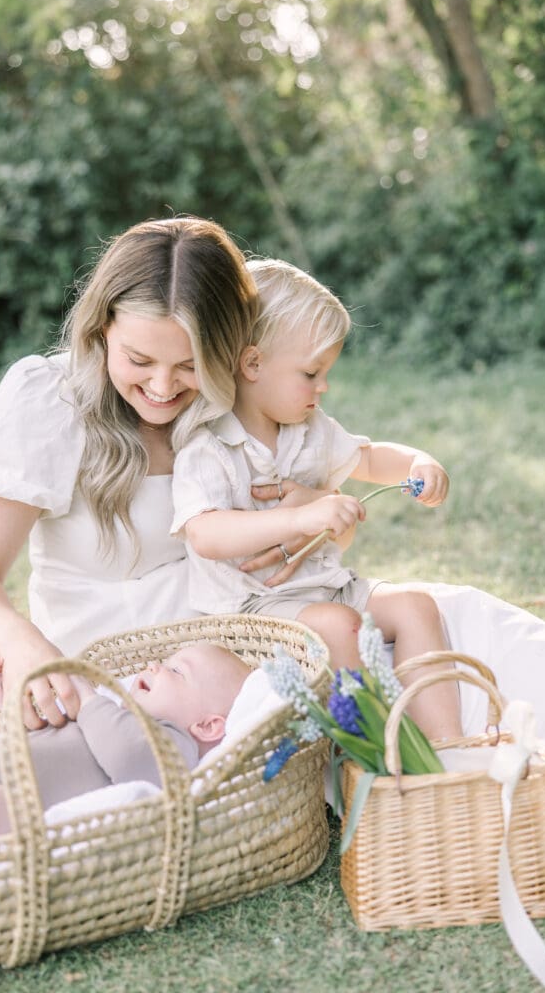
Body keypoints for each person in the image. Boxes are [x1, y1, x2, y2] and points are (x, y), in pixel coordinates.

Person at [0, 216, 262, 731]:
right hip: (96, 703)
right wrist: (21, 644)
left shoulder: (239, 398)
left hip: (227, 696)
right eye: (139, 359)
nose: (163, 387)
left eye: (190, 365)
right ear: (101, 329)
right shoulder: (51, 400)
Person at [171, 257, 462, 740]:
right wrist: (300, 518)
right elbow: (205, 533)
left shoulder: (310, 429)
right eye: (311, 372)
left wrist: (418, 462)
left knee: (416, 606)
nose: (323, 386)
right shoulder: (210, 447)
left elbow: (369, 458)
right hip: (253, 611)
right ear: (253, 364)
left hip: (327, 586)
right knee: (340, 626)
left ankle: (446, 747)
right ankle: (371, 755)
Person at [0, 642, 251, 860]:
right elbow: (41, 743)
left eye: (176, 671)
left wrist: (87, 695)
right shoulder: (111, 717)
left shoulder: (171, 743)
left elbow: (132, 758)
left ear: (207, 726)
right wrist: (10, 708)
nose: (155, 666)